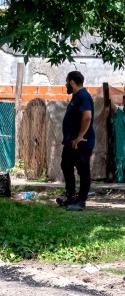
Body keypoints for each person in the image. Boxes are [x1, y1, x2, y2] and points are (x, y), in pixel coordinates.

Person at [57, 71, 95, 211]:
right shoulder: (76, 97)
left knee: (83, 170)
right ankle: (71, 196)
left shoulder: (83, 96)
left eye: (67, 82)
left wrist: (80, 137)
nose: (66, 84)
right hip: (70, 142)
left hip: (81, 143)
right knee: (66, 165)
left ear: (72, 81)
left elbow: (87, 117)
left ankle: (81, 202)